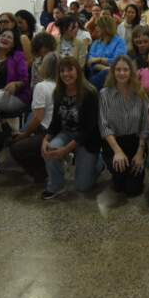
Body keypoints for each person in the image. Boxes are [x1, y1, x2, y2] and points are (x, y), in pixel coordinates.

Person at [41, 56, 103, 199]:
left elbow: (88, 129)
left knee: (82, 186)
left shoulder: (90, 93)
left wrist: (66, 149)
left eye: (70, 70)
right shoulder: (58, 92)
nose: (66, 74)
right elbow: (55, 122)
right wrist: (46, 139)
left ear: (78, 71)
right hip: (66, 132)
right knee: (50, 148)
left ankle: (99, 163)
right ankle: (56, 186)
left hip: (87, 138)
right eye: (62, 71)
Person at [99, 56, 149, 197]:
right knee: (119, 185)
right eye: (118, 69)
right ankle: (116, 172)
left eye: (125, 70)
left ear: (131, 72)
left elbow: (145, 125)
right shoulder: (104, 94)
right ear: (113, 72)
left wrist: (140, 153)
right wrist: (117, 151)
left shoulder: (140, 93)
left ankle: (136, 171)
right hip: (113, 143)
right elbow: (104, 126)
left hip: (135, 142)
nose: (122, 73)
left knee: (133, 190)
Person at [10, 54, 58, 184]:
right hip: (58, 131)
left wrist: (24, 134)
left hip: (47, 132)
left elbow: (38, 118)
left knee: (15, 146)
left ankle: (40, 173)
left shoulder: (42, 86)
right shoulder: (60, 85)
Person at [87, 15, 127, 89]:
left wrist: (98, 60)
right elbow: (89, 62)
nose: (96, 28)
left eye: (98, 26)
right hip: (95, 71)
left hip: (113, 74)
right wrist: (104, 65)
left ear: (105, 28)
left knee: (106, 74)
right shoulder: (96, 43)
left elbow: (118, 61)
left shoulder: (119, 42)